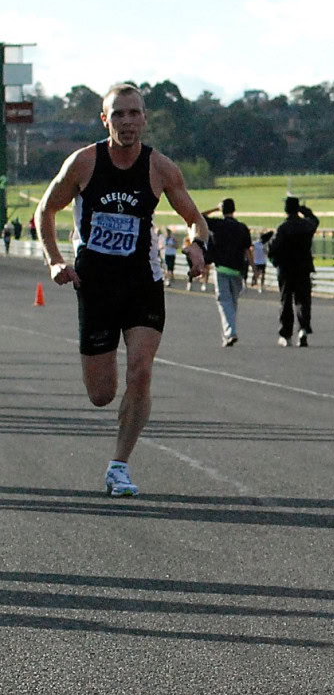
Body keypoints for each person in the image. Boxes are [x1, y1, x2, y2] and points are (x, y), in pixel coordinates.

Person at [34, 82, 209, 497]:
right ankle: (114, 421)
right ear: (105, 120)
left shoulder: (161, 167)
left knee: (141, 370)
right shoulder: (83, 163)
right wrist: (56, 260)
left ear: (145, 118)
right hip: (94, 284)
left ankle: (119, 466)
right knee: (101, 394)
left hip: (141, 282)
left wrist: (196, 245)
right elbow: (45, 210)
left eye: (134, 114)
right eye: (119, 115)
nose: (127, 122)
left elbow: (194, 218)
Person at [268, 196, 318, 347]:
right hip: (303, 267)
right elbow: (315, 220)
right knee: (303, 300)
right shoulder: (307, 225)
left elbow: (272, 247)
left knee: (286, 301)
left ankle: (286, 334)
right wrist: (305, 210)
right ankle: (303, 328)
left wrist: (274, 261)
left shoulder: (283, 228)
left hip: (285, 268)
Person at [203, 198, 253, 347]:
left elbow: (199, 216)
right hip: (237, 270)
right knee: (232, 302)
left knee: (224, 302)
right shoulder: (242, 228)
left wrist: (215, 208)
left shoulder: (218, 224)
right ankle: (229, 331)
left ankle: (230, 332)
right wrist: (254, 269)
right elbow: (247, 250)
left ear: (223, 210)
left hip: (221, 269)